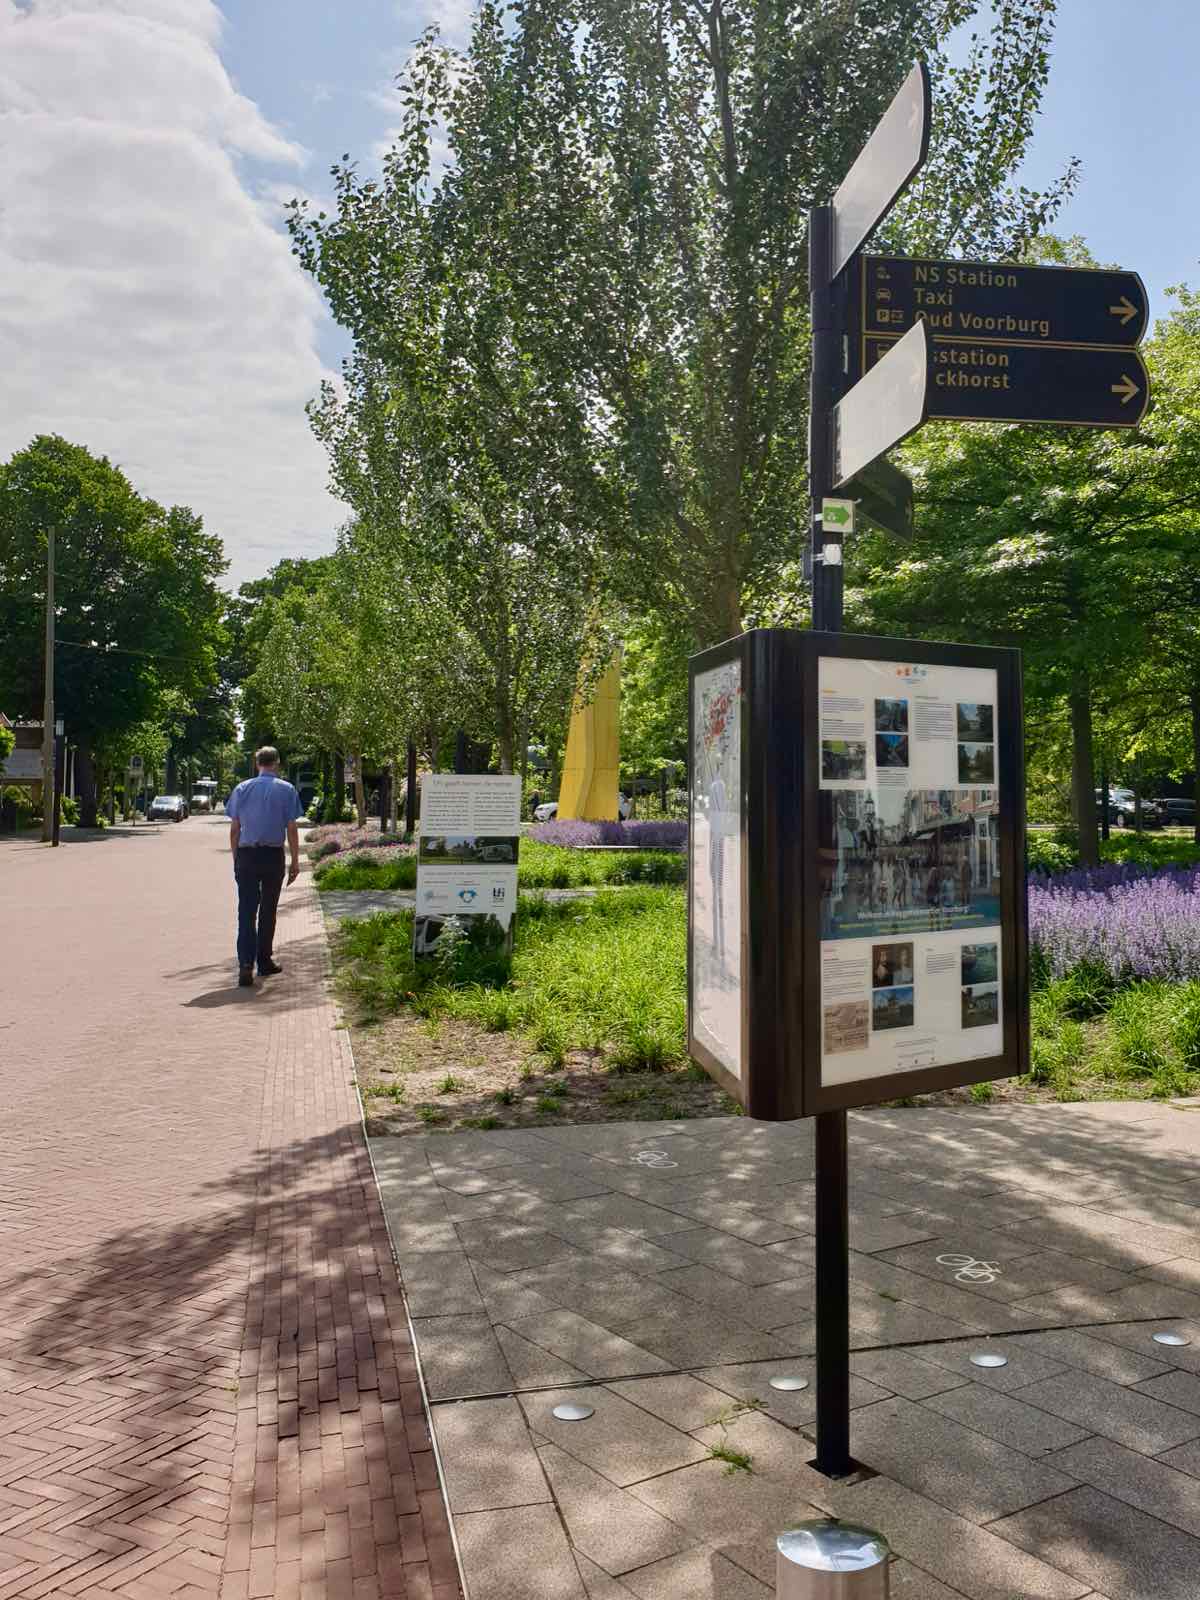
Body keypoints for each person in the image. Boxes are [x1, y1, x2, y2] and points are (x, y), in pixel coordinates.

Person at [226, 747, 303, 987]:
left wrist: (236, 858)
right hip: (272, 856)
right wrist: (295, 861)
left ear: (257, 763)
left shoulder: (242, 788)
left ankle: (245, 965)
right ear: (277, 763)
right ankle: (264, 961)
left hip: (247, 855)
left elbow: (235, 829)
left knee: (246, 911)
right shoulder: (287, 789)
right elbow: (291, 828)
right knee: (269, 909)